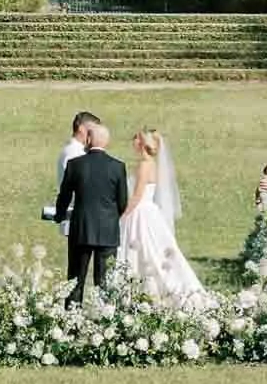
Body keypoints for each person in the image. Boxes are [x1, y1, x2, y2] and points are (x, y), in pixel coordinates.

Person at [118, 127, 204, 300]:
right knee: (153, 249)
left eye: (136, 139)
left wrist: (122, 215)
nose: (133, 142)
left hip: (140, 212)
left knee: (144, 251)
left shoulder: (144, 165)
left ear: (142, 144)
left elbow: (137, 195)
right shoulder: (152, 164)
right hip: (149, 211)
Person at [55, 120, 130, 301]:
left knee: (75, 280)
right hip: (107, 230)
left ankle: (71, 321)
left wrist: (59, 215)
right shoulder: (117, 166)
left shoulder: (75, 164)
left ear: (88, 139)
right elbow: (122, 201)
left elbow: (64, 195)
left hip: (81, 228)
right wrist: (112, 217)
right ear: (107, 142)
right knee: (104, 281)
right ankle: (103, 321)